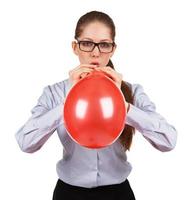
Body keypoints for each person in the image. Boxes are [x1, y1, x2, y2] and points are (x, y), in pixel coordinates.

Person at [15, 10, 177, 200]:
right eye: (87, 43)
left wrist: (124, 107)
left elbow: (169, 141)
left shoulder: (132, 91)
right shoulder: (54, 93)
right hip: (69, 193)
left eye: (104, 45)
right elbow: (25, 143)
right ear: (75, 47)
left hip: (118, 193)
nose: (95, 52)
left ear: (113, 49)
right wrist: (69, 103)